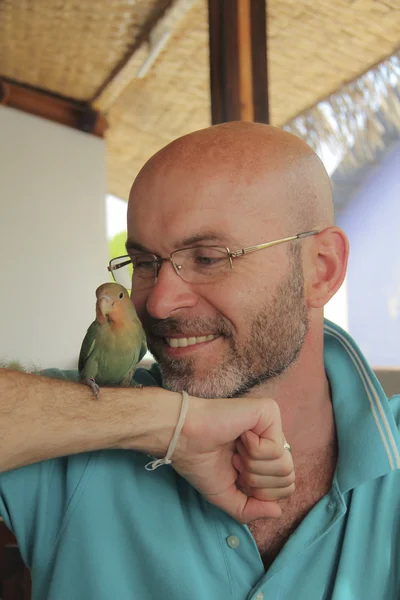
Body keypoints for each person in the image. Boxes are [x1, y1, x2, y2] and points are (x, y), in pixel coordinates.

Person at [0, 122, 399, 600]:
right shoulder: (69, 438)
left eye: (209, 258)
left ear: (322, 268)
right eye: (146, 264)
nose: (159, 303)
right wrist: (164, 423)